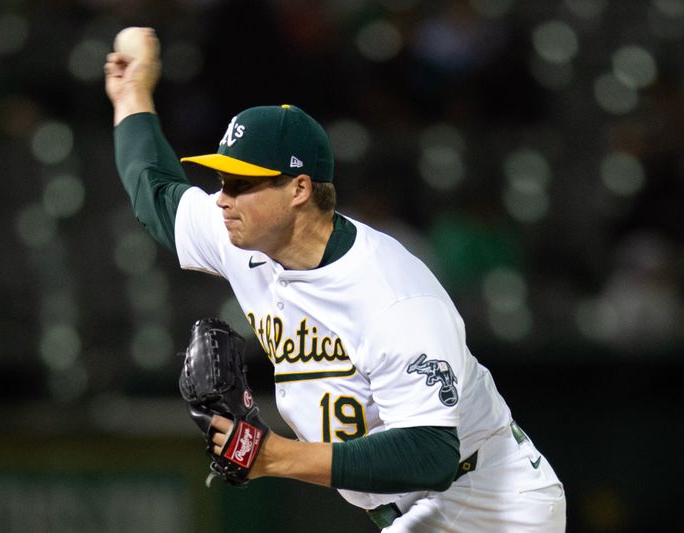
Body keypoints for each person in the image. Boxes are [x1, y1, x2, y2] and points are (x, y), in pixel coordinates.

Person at [104, 27, 566, 532]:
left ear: (299, 188)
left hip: (491, 504)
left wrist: (276, 456)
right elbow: (156, 194)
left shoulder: (392, 295)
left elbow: (429, 452)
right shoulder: (247, 235)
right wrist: (133, 94)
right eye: (221, 181)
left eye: (242, 183)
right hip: (413, 508)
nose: (222, 198)